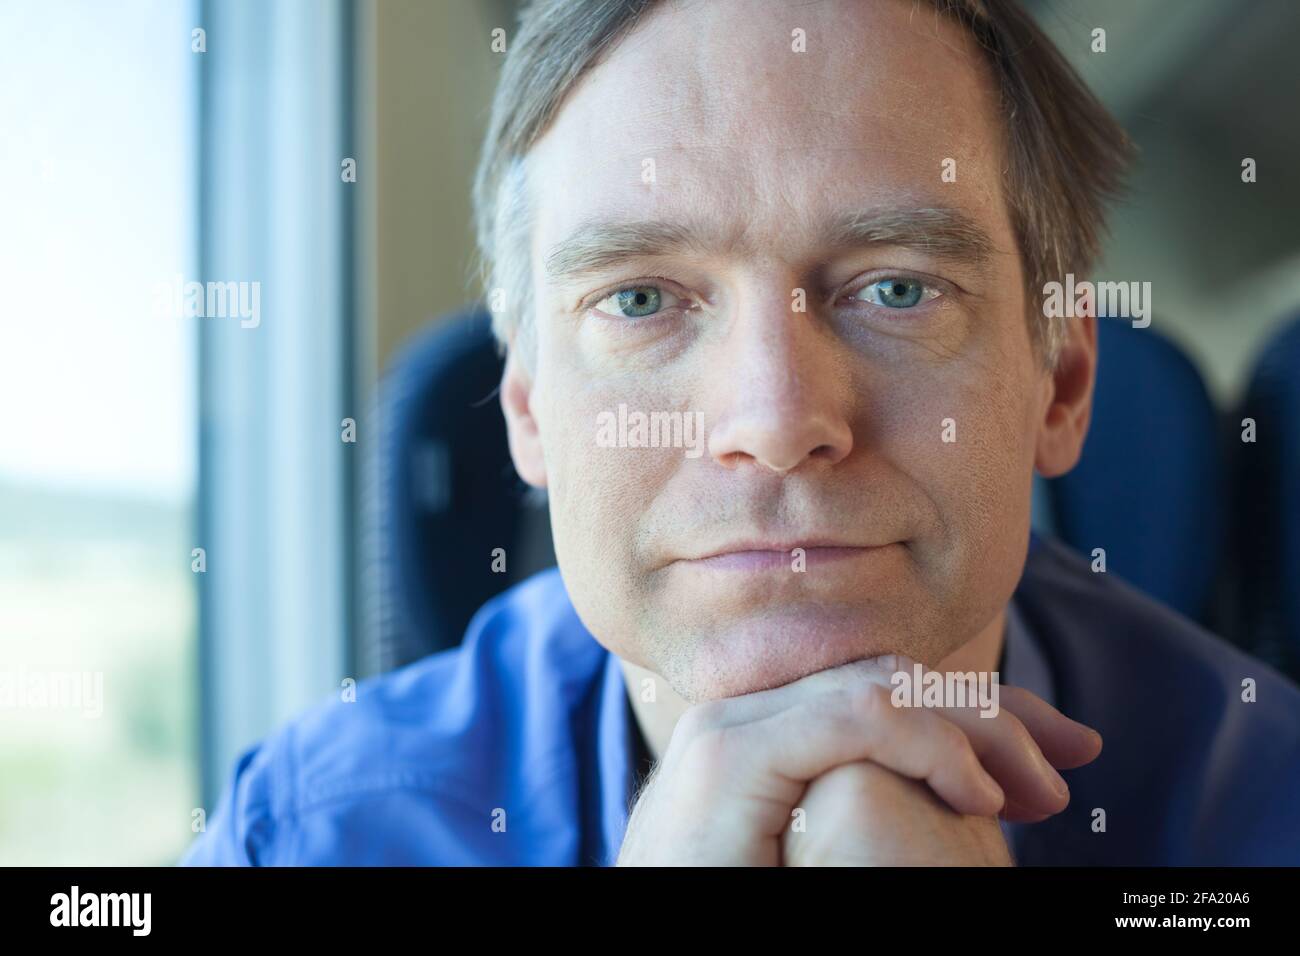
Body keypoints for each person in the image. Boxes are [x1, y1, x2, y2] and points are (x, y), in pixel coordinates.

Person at [182, 0, 1300, 866]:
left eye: (897, 289)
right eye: (637, 299)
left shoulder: (1268, 804)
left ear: (1057, 380)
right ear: (528, 408)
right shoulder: (313, 830)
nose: (773, 421)